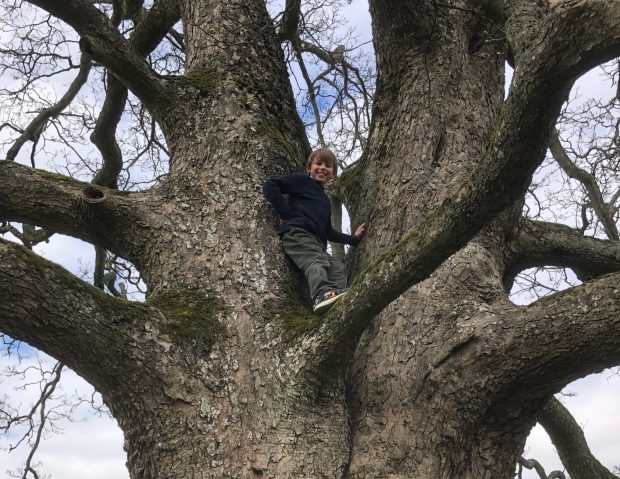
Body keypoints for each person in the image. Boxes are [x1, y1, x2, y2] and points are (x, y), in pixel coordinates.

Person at [263, 148, 366, 314]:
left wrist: (353, 239)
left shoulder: (325, 200)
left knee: (337, 268)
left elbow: (329, 232)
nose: (323, 168)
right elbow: (270, 185)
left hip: (316, 243)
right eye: (318, 164)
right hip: (297, 234)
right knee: (317, 262)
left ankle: (337, 302)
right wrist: (286, 213)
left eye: (328, 166)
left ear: (333, 174)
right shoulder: (303, 181)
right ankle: (321, 294)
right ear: (309, 168)